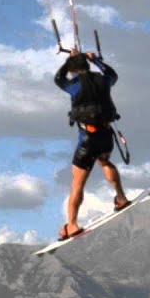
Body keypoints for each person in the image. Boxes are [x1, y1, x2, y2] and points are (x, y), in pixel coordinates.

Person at [53, 50, 129, 240]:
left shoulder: (74, 86)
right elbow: (112, 74)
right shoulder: (104, 81)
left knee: (77, 183)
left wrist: (69, 60)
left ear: (73, 71)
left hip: (88, 138)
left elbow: (58, 78)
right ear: (87, 66)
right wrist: (95, 60)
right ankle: (120, 198)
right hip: (106, 136)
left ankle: (71, 225)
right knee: (105, 163)